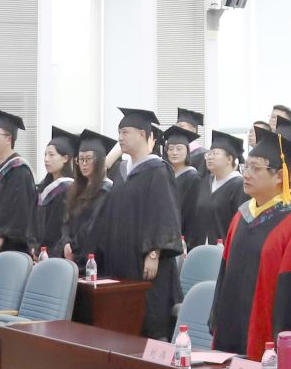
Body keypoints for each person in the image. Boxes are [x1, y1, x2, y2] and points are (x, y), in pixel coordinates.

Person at [210, 129, 291, 358]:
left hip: (270, 347)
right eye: (246, 167)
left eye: (255, 168)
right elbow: (225, 277)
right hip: (231, 334)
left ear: (279, 176)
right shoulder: (241, 216)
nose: (247, 174)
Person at [97, 109, 185, 338]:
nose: (120, 138)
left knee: (148, 319)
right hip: (120, 261)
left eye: (125, 132)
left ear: (143, 134)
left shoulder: (159, 170)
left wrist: (154, 252)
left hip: (146, 262)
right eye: (119, 132)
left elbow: (164, 213)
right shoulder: (121, 171)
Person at [0, 109, 37, 252]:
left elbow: (19, 211)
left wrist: (2, 237)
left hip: (11, 246)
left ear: (8, 139)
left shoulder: (19, 170)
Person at [186, 131, 246, 249]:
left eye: (215, 153)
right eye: (208, 154)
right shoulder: (204, 183)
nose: (210, 157)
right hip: (200, 250)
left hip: (226, 251)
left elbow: (242, 225)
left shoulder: (239, 186)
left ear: (229, 159)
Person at [63, 129, 114, 264]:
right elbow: (67, 221)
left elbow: (93, 226)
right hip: (73, 255)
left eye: (88, 159)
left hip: (95, 259)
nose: (84, 163)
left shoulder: (106, 191)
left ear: (100, 160)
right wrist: (66, 242)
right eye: (81, 159)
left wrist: (73, 247)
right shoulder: (77, 189)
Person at [34, 127, 76, 259]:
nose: (46, 159)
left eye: (51, 155)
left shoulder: (70, 189)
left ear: (65, 158)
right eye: (45, 155)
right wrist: (33, 247)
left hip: (56, 255)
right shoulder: (42, 188)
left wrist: (53, 253)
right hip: (37, 253)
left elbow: (65, 227)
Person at [164, 124, 202, 248]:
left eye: (179, 148)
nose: (174, 152)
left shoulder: (193, 178)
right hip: (164, 237)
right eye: (170, 149)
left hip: (183, 239)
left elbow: (192, 216)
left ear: (187, 151)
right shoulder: (164, 175)